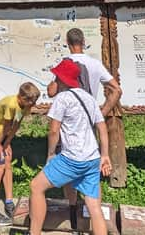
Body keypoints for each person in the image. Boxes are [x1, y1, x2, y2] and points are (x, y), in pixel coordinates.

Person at [29, 58, 112, 235]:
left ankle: (34, 232)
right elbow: (102, 128)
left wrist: (51, 154)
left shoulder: (63, 98)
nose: (55, 81)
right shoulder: (89, 98)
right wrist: (105, 155)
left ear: (62, 80)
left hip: (73, 158)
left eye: (57, 77)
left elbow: (53, 130)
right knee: (94, 206)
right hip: (92, 158)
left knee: (36, 187)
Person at [46, 28, 121, 209]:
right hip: (88, 120)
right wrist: (101, 113)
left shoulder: (67, 63)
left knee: (67, 161)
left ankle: (72, 207)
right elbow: (117, 90)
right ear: (83, 41)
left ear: (68, 42)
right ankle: (91, 210)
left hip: (68, 121)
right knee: (89, 162)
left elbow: (51, 92)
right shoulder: (94, 64)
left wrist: (54, 79)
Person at [0, 82, 40, 225]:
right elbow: (7, 125)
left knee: (8, 161)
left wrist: (7, 144)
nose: (33, 105)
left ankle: (9, 202)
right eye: (32, 102)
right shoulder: (11, 104)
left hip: (2, 132)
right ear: (22, 98)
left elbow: (16, 124)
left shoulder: (24, 106)